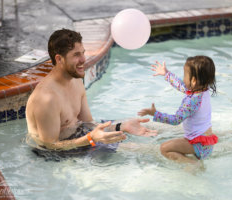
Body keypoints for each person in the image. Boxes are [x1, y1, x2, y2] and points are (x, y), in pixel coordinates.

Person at [26, 29, 157, 153]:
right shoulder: (46, 98)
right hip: (57, 154)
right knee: (146, 151)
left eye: (83, 53)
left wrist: (121, 126)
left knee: (156, 128)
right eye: (76, 55)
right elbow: (48, 146)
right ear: (59, 59)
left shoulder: (76, 80)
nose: (83, 59)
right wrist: (90, 139)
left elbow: (88, 123)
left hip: (79, 137)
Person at [138, 56, 218, 163]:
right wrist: (166, 74)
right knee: (169, 146)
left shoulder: (192, 101)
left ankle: (192, 165)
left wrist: (155, 114)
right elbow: (182, 86)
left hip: (198, 144)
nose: (183, 79)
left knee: (164, 148)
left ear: (193, 81)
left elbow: (176, 120)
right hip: (206, 142)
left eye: (185, 75)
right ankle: (193, 160)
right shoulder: (203, 90)